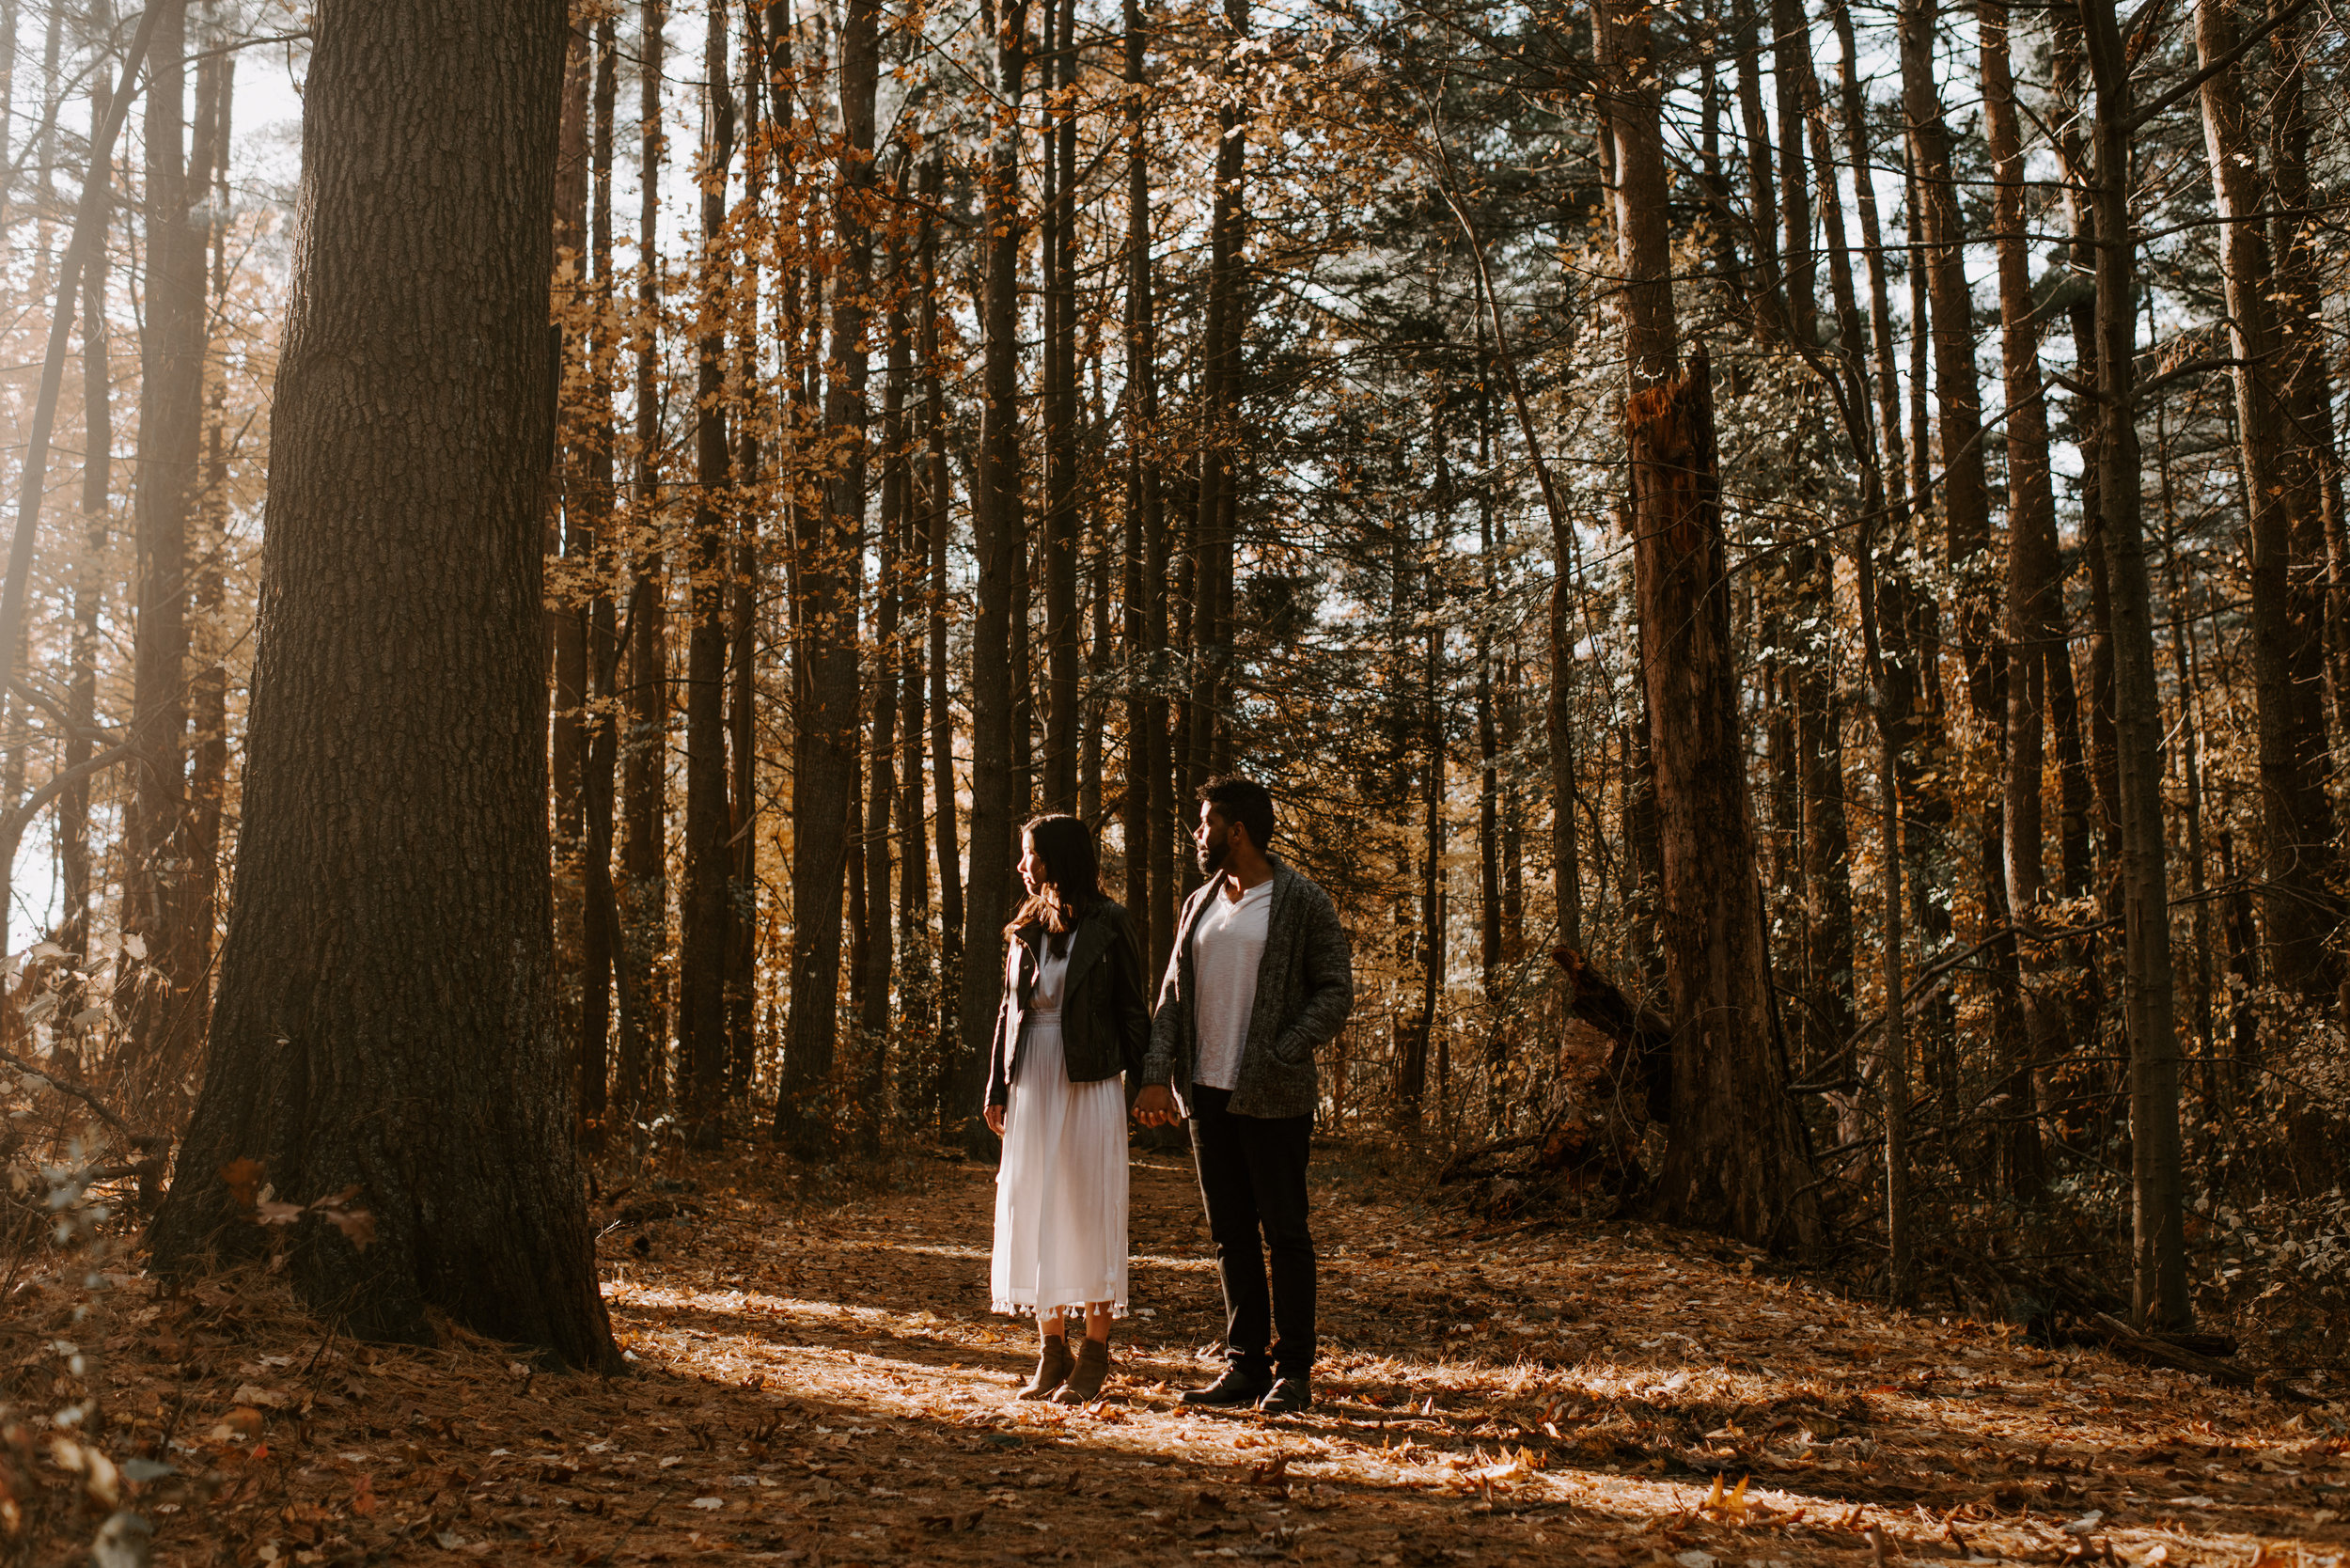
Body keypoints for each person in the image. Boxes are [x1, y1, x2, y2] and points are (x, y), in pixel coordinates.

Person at [1135, 776, 1354, 1414]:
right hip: (1206, 1094)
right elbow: (1173, 994)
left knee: (1285, 1233)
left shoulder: (1301, 901)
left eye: (1204, 824)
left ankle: (1295, 1373)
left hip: (1274, 1095)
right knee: (1231, 1235)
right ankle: (1245, 1366)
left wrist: (1283, 1050)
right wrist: (1157, 1072)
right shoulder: (1199, 903)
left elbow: (1335, 990)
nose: (1195, 834)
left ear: (1237, 830)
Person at [984, 813, 1152, 1404]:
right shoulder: (1026, 929)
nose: (1023, 865)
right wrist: (996, 1087)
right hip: (1032, 1076)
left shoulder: (1109, 923)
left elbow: (1134, 1009)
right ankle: (1050, 1354)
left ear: (1057, 859)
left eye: (1031, 854)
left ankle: (1094, 1355)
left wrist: (1152, 1084)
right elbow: (1009, 1014)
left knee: (1087, 1208)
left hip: (1089, 1079)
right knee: (1036, 1206)